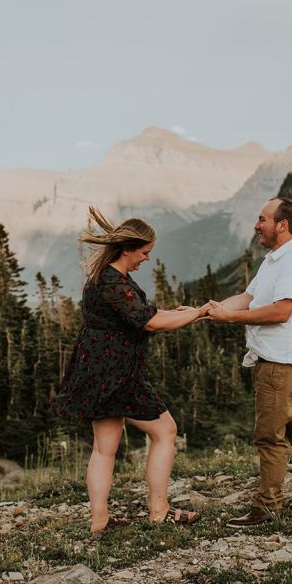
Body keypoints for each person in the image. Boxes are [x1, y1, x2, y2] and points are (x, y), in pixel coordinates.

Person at [53, 206, 210, 535]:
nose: (147, 259)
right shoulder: (113, 282)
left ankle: (100, 522)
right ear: (127, 249)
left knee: (103, 447)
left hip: (98, 371)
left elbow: (138, 312)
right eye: (144, 252)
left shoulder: (106, 279)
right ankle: (159, 510)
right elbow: (149, 321)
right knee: (165, 431)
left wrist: (181, 311)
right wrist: (199, 313)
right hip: (118, 374)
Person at [208, 196, 292, 527]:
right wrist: (209, 310)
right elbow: (249, 297)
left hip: (283, 363)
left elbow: (282, 311)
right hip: (291, 360)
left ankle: (267, 506)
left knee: (269, 435)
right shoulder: (274, 261)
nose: (257, 225)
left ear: (282, 225)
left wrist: (231, 320)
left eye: (262, 219)